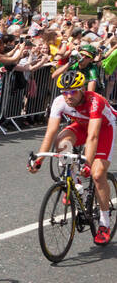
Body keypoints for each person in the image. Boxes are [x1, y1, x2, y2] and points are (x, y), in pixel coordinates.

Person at [29, 69, 116, 245]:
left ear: (82, 88)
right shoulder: (59, 102)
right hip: (82, 126)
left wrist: (88, 163)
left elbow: (93, 136)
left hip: (105, 129)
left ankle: (104, 223)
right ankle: (74, 183)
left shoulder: (94, 101)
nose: (68, 96)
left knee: (98, 174)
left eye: (73, 91)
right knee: (61, 142)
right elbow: (50, 133)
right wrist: (39, 160)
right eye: (64, 92)